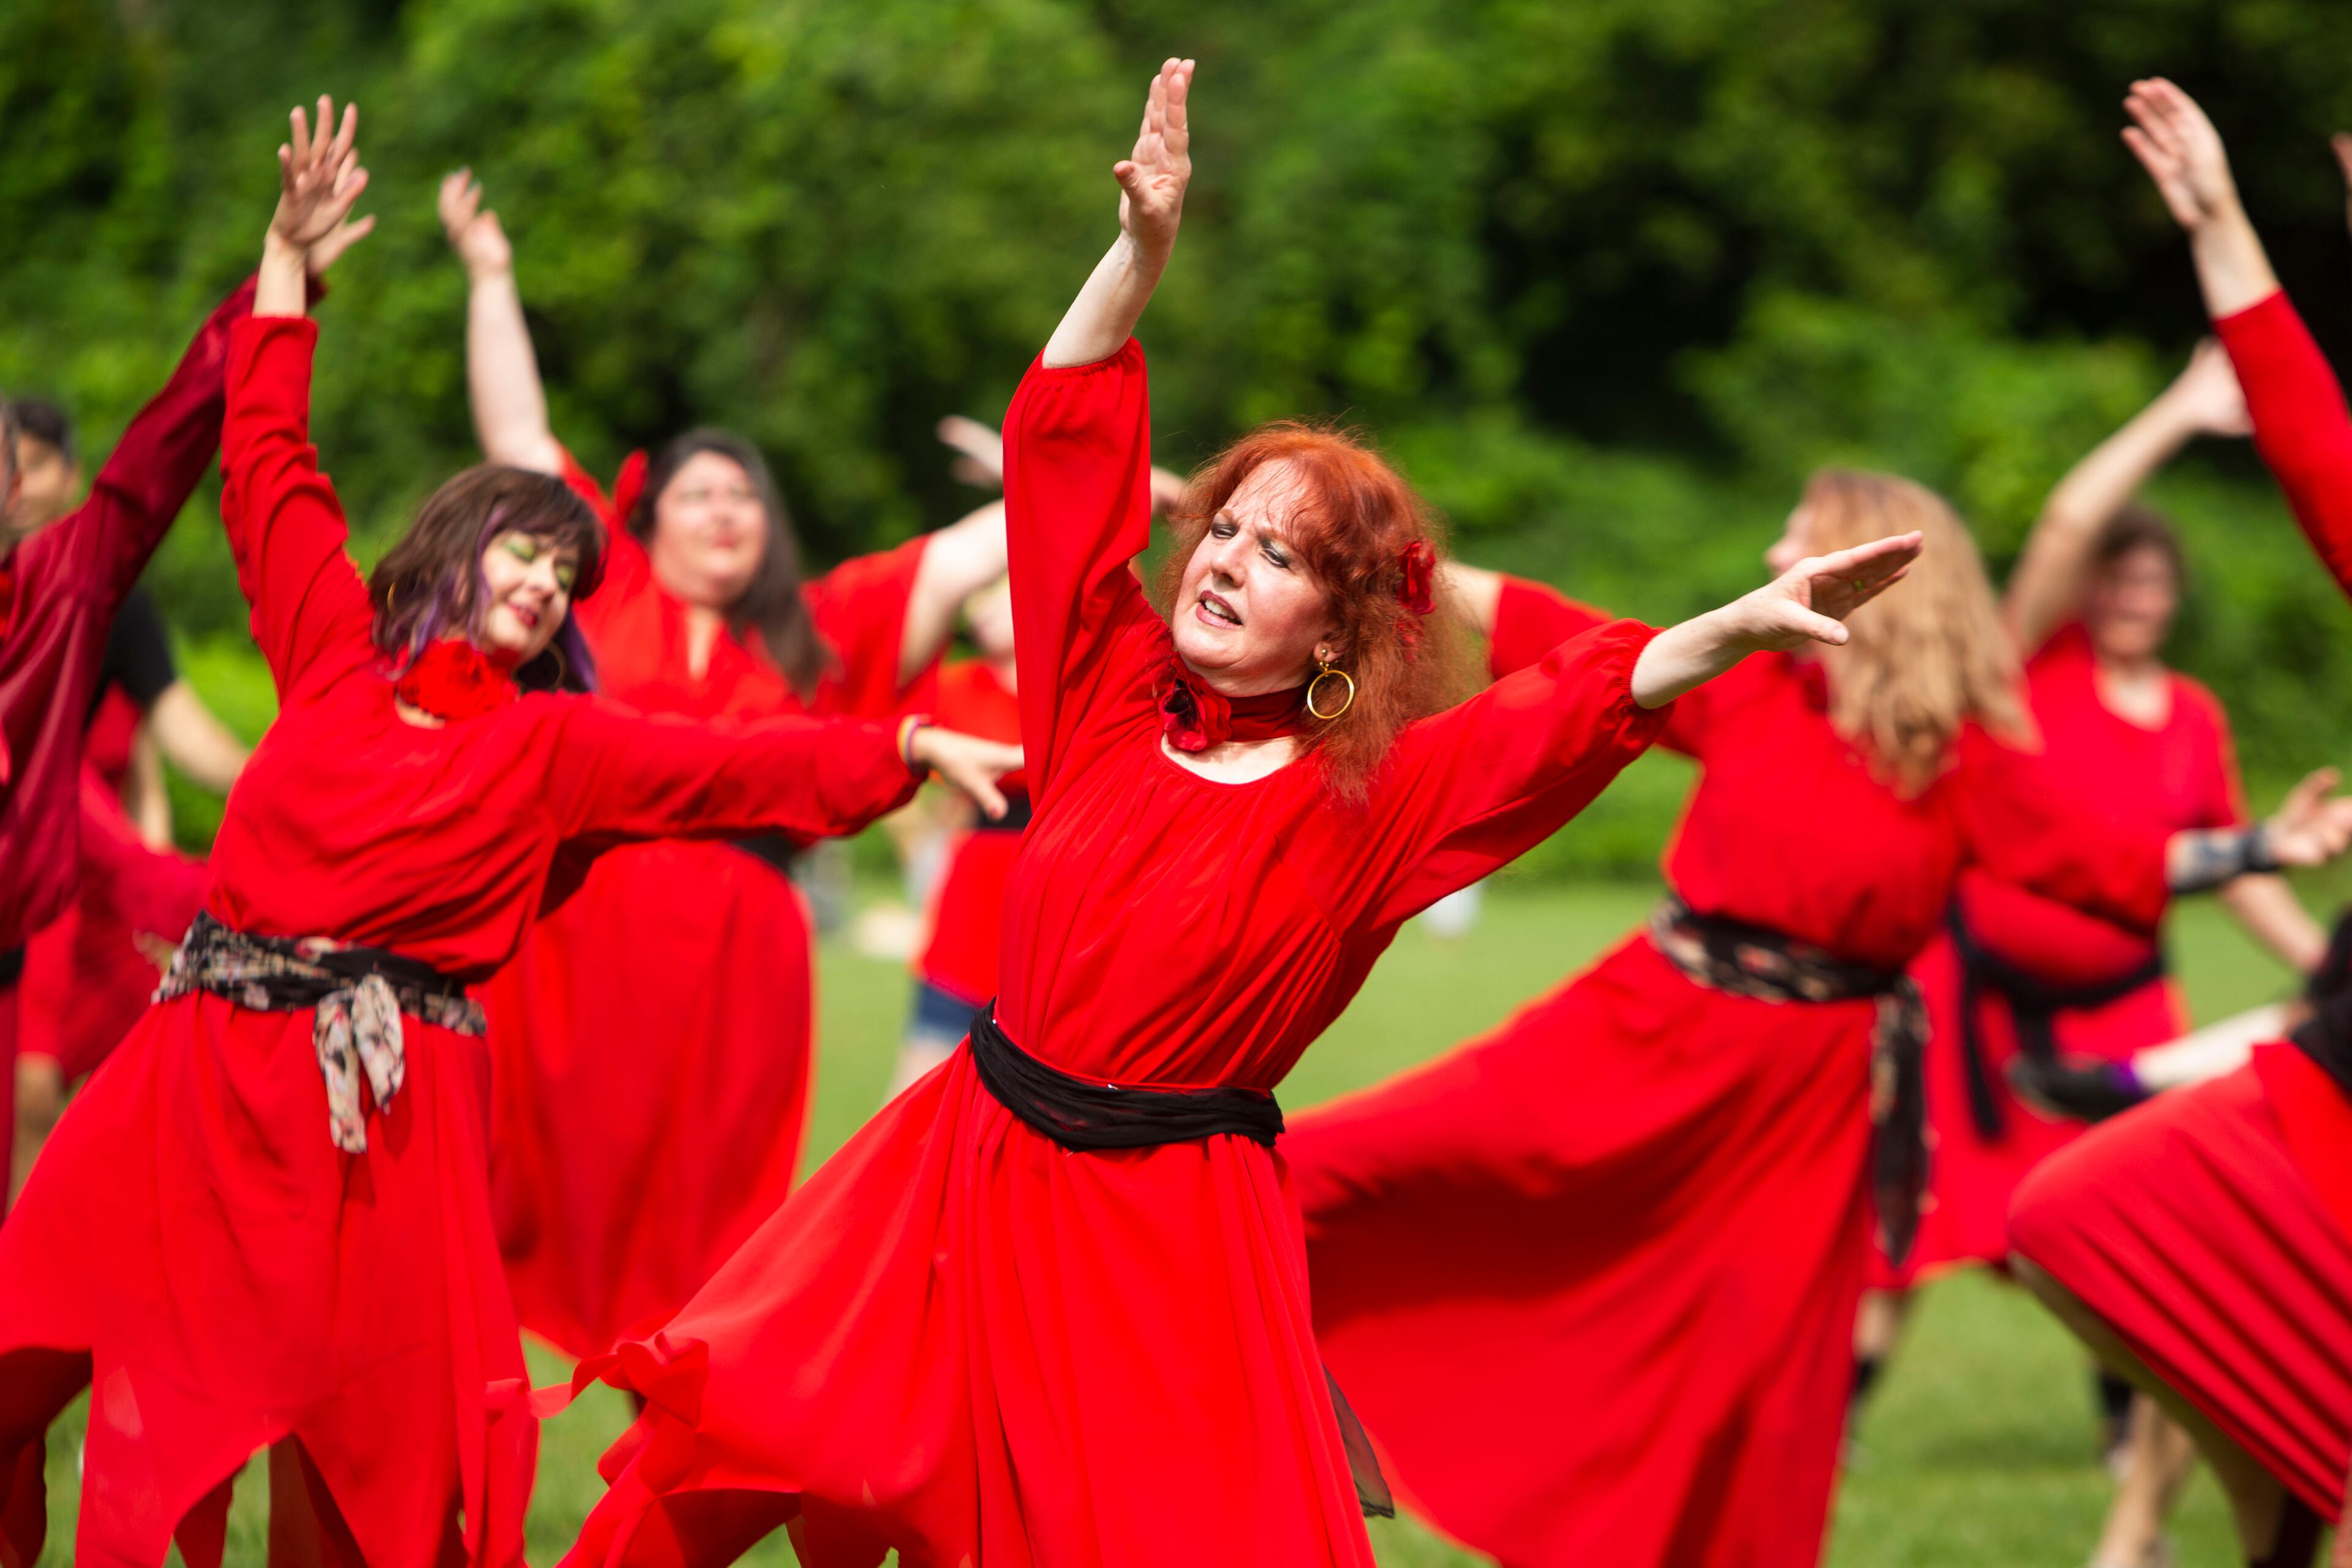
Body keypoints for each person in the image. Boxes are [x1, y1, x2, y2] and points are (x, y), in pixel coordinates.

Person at [551, 58, 1924, 1568]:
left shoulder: (1378, 803)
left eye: (1277, 558)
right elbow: (1059, 447)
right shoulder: (1105, 692)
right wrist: (1135, 263)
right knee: (726, 1441)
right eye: (1226, 531)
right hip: (964, 1167)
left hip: (1170, 1233)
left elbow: (1568, 713)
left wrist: (1725, 627)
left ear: (1336, 630)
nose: (1221, 562)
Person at [0, 100, 1017, 1568]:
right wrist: (285, 270)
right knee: (29, 1337)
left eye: (566, 567)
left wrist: (904, 744)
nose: (545, 582)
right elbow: (270, 466)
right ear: (455, 545)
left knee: (368, 1472)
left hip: (386, 1127)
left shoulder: (553, 747)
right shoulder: (333, 654)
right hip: (197, 1077)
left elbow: (737, 770)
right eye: (523, 549)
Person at [1283, 466, 2352, 1567]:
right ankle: (1206, 1359)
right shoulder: (1750, 687)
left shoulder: (1960, 754)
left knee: (1754, 1389)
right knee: (1334, 1166)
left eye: (1796, 537)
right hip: (1646, 1028)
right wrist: (1326, 547)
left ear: (1866, 570)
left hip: (1808, 1099)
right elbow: (1530, 615)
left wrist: (2267, 846)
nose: (1767, 559)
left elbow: (2105, 858)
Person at [435, 171, 1021, 1363]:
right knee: (522, 1192)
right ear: (648, 519)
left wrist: (1060, 454)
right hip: (579, 943)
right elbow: (516, 438)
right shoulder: (607, 597)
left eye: (743, 497)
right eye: (697, 493)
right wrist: (493, 278)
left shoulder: (817, 628)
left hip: (742, 968)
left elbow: (965, 561)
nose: (722, 511)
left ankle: (673, 1438)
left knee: (715, 1230)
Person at [1850, 334, 2332, 1566]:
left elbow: (2233, 866)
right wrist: (2181, 409)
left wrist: (2332, 977)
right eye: (2116, 581)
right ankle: (1845, 1419)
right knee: (1926, 1225)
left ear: (2172, 600)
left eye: (2150, 586)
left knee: (2150, 1217)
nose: (2129, 599)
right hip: (1987, 1002)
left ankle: (2136, 1461)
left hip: (2126, 1007)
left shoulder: (2195, 717)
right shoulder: (2033, 673)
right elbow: (2067, 520)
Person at [2011, 77, 2352, 1568]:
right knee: (2087, 1219)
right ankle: (2281, 1502)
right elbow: (2315, 455)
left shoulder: (2195, 718)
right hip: (2259, 1044)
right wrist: (2220, 228)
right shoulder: (2041, 670)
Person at [6, 399, 255, 1197]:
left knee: (37, 1091)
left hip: (57, 871)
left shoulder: (106, 598)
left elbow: (176, 731)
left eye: (35, 463)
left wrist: (295, 782)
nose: (18, 483)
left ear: (70, 477)